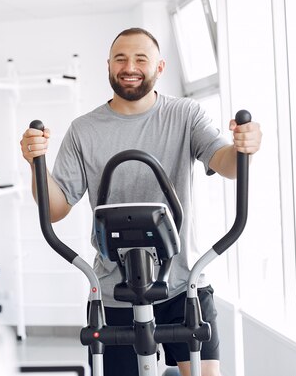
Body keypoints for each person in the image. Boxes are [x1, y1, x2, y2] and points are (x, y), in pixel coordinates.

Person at [20, 27, 262, 376]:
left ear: (159, 67)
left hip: (183, 283)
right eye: (120, 59)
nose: (129, 66)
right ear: (108, 66)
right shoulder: (83, 130)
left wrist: (243, 149)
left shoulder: (185, 114)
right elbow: (55, 209)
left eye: (140, 59)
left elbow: (225, 164)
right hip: (114, 290)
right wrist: (36, 165)